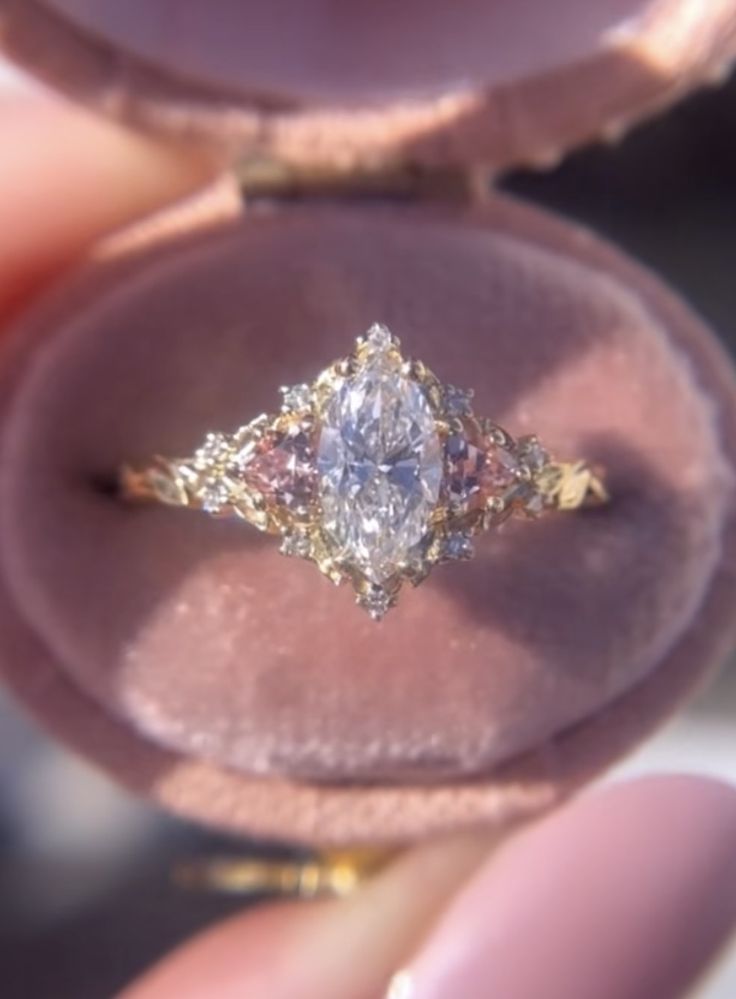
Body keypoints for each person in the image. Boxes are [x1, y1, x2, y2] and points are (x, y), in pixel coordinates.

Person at [3, 92, 735, 999]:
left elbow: (542, 482)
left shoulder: (490, 478)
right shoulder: (266, 475)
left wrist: (564, 487)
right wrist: (159, 482)